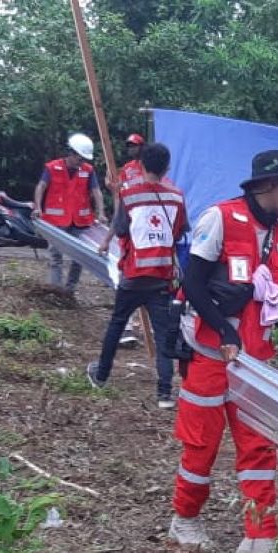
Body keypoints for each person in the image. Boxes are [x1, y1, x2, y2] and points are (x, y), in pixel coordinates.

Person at [169, 150, 278, 553]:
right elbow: (192, 282)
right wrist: (224, 330)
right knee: (200, 448)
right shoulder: (220, 219)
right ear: (268, 186)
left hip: (254, 365)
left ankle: (260, 538)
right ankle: (184, 519)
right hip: (210, 357)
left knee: (259, 448)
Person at [85, 143, 182, 409]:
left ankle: (101, 375)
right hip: (161, 277)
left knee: (117, 324)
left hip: (133, 274)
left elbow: (120, 230)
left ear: (141, 165)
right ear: (167, 168)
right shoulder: (176, 196)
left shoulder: (130, 194)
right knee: (164, 336)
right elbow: (180, 230)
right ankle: (164, 394)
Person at [33, 133, 106, 296]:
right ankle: (55, 290)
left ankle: (69, 290)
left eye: (84, 160)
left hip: (80, 221)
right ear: (71, 153)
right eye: (80, 158)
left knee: (80, 258)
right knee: (55, 255)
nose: (82, 162)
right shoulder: (52, 167)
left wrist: (101, 212)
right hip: (57, 221)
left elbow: (96, 192)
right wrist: (38, 207)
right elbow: (41, 187)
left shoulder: (88, 171)